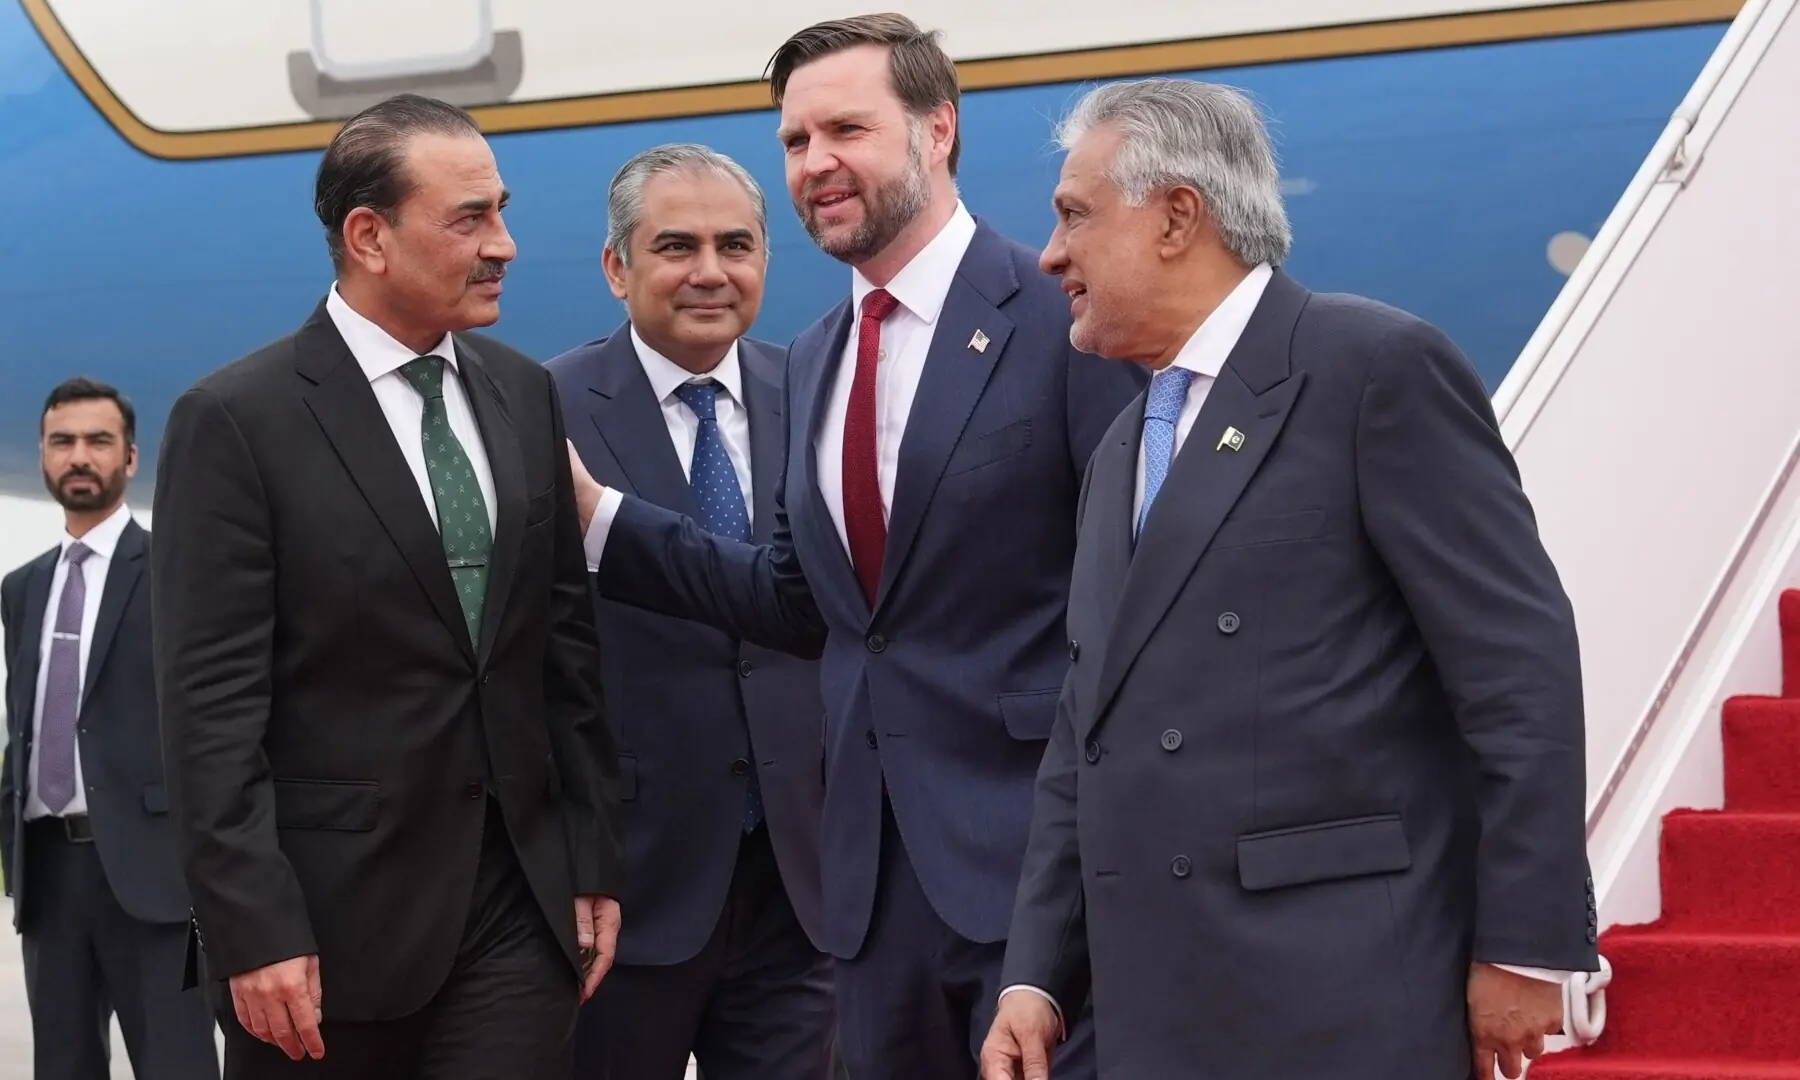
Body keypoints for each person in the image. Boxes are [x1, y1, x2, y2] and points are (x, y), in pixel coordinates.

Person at [978, 77, 1599, 1080]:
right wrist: (1036, 978)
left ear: (1178, 216)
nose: (1051, 255)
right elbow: (1085, 734)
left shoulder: (1373, 370)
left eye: (1074, 217)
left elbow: (1516, 668)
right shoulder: (1120, 452)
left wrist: (1524, 945)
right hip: (1158, 1012)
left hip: (1343, 998)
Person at [565, 14, 1145, 1079]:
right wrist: (603, 518)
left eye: (846, 130)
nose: (816, 164)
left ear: (937, 132)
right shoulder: (823, 353)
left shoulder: (1064, 320)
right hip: (866, 903)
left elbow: (1141, 609)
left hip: (1033, 888)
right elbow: (802, 603)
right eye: (794, 141)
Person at [150, 93, 624, 1079]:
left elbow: (561, 651)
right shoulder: (236, 422)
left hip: (518, 921)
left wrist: (589, 860)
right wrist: (252, 927)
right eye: (470, 218)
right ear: (369, 236)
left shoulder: (523, 391)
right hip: (325, 942)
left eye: (501, 210)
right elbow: (209, 711)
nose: (507, 245)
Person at [545, 143, 837, 1080]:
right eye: (676, 246)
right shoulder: (542, 411)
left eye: (737, 245)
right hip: (625, 888)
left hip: (803, 885)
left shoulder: (822, 396)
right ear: (615, 267)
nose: (711, 272)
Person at [2, 377, 219, 1080]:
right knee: (62, 1067)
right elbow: (29, 723)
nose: (79, 456)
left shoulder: (175, 571)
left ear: (130, 459)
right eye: (63, 442)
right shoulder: (22, 587)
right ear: (43, 455)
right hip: (49, 878)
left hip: (156, 877)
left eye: (99, 441)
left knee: (177, 1063)